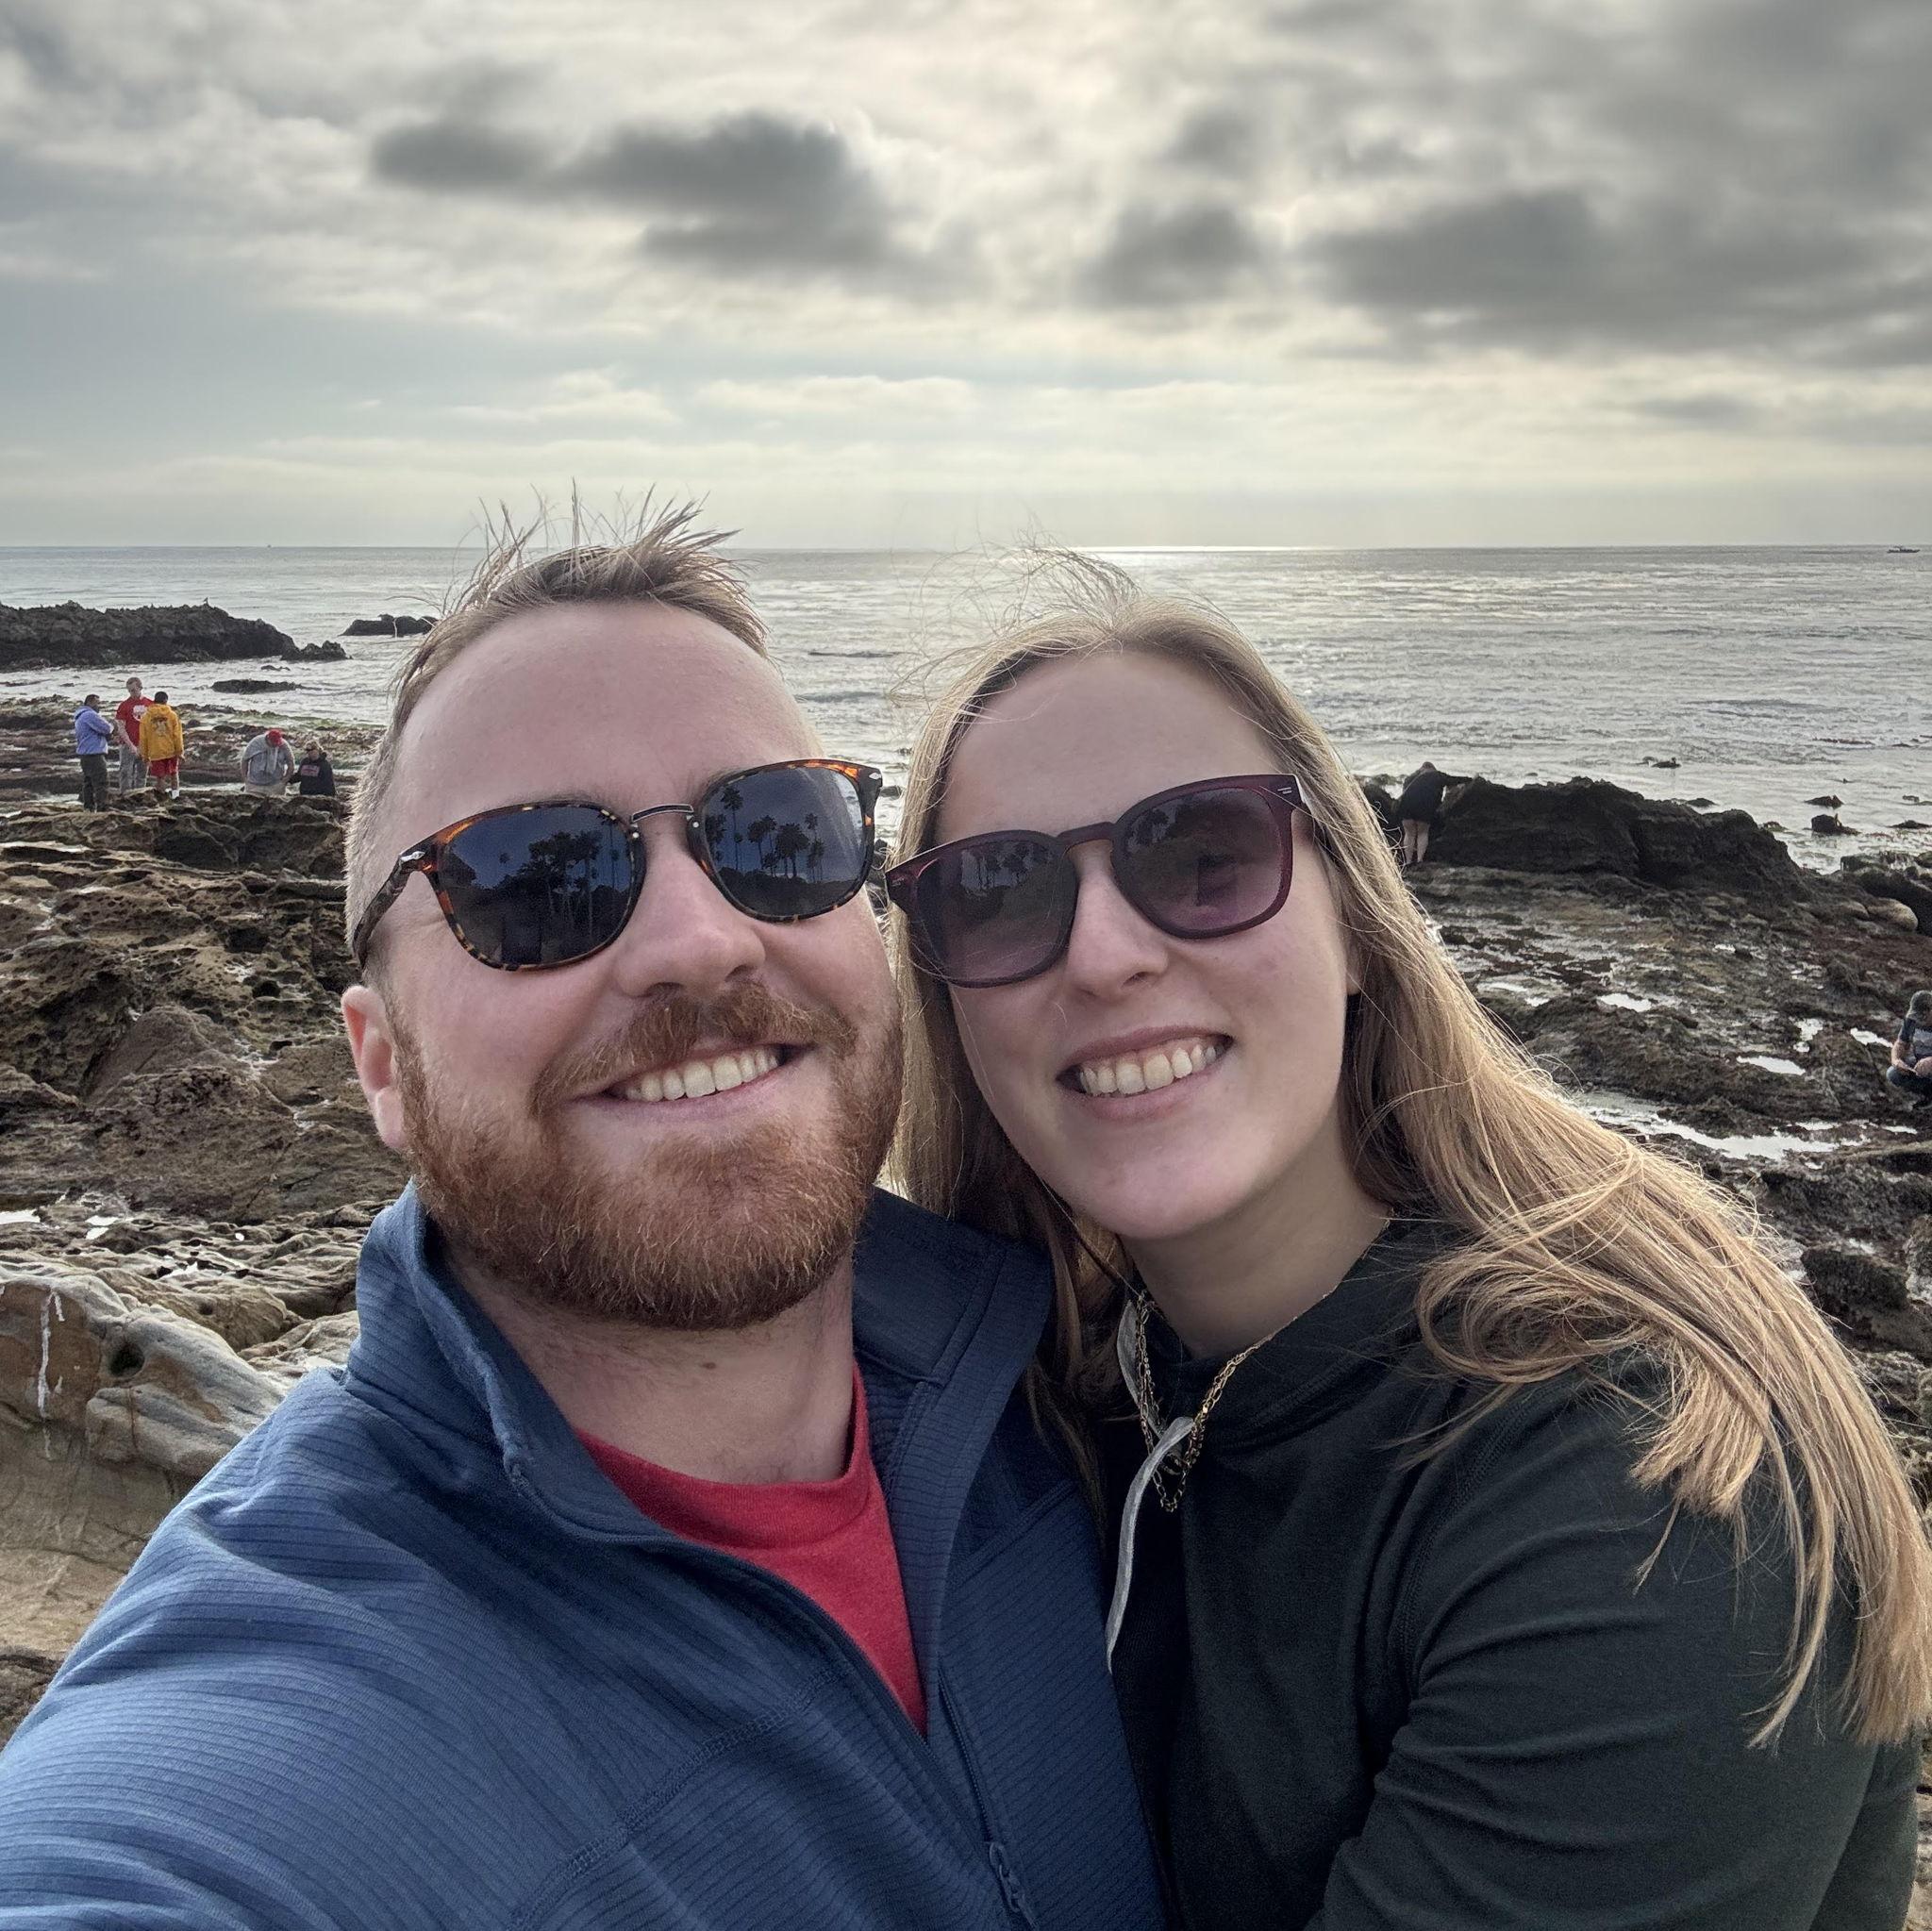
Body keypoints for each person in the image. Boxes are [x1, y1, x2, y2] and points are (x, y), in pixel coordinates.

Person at [0, 507, 1164, 1930]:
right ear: (381, 1063)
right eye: (535, 876)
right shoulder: (291, 1730)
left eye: (777, 834)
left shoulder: (1086, 1398)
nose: (698, 938)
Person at [883, 555, 1932, 1931]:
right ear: (944, 999)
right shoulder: (1072, 1389)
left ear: (1361, 923)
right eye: (998, 890)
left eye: (1202, 857)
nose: (1104, 955)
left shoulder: (1644, 1504)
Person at [1392, 757, 1471, 867]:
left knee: (1409, 833)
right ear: (1433, 768)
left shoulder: (1410, 778)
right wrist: (1471, 779)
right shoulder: (1437, 775)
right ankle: (1419, 860)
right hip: (1425, 806)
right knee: (1422, 833)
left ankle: (1408, 861)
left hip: (1406, 806)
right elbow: (1454, 780)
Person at [1888, 989, 1932, 1110]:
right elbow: (1901, 1043)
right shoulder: (1911, 1020)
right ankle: (1928, 1095)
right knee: (1893, 1074)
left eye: (1923, 1017)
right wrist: (1896, 1060)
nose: (1919, 1021)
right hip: (1920, 1066)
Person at [138, 689, 185, 799]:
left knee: (160, 777)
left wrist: (145, 756)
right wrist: (180, 752)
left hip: (155, 751)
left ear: (154, 701)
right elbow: (177, 736)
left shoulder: (146, 717)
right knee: (174, 774)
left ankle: (162, 797)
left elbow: (143, 738)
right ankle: (175, 796)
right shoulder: (172, 715)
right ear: (165, 701)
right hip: (171, 750)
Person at [72, 694, 113, 810]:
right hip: (94, 753)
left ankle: (88, 807)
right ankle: (102, 807)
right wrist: (112, 725)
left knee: (88, 782)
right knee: (102, 782)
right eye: (97, 703)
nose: (99, 706)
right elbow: (106, 728)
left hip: (85, 754)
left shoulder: (79, 716)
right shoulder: (89, 714)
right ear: (90, 702)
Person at [112, 675, 151, 793]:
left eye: (133, 690)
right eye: (129, 691)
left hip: (145, 745)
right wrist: (130, 745)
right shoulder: (124, 706)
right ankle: (125, 795)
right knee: (125, 772)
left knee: (142, 773)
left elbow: (153, 726)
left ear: (140, 688)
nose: (131, 693)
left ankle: (140, 794)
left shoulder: (150, 704)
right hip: (127, 745)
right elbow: (121, 727)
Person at [239, 724, 295, 798]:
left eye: (277, 743)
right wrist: (245, 779)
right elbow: (244, 760)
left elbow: (291, 762)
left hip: (275, 785)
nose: (276, 745)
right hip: (254, 785)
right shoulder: (255, 743)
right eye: (273, 743)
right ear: (268, 739)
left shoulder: (284, 745)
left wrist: (285, 780)